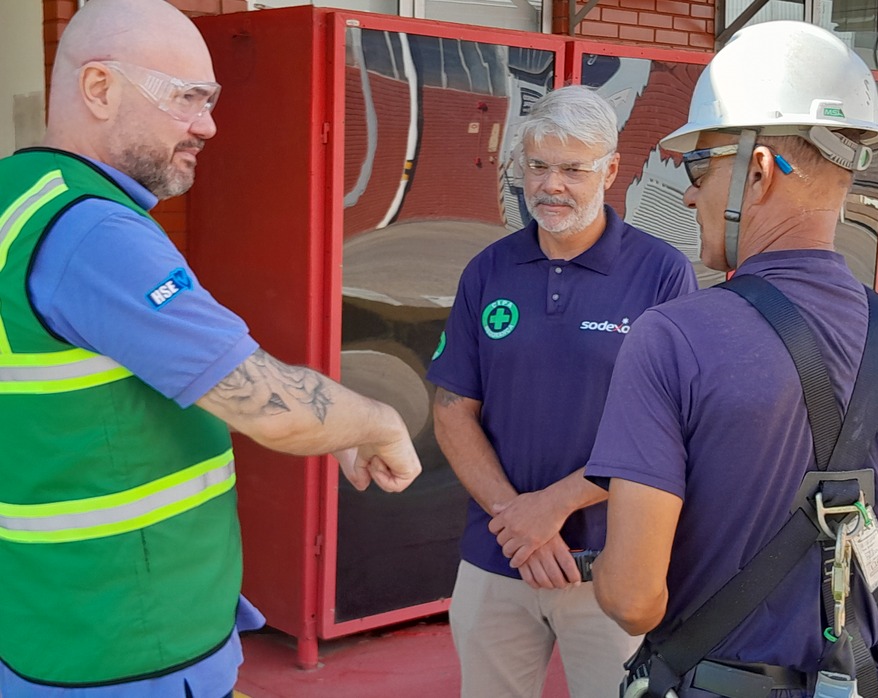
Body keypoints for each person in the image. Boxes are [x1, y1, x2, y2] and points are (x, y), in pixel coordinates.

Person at [0, 1, 421, 696]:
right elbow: (270, 408)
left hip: (48, 624)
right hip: (131, 649)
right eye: (187, 99)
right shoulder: (93, 234)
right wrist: (375, 421)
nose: (208, 124)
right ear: (99, 89)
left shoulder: (21, 199)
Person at [585, 20, 878, 698]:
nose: (687, 194)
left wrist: (598, 567)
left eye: (696, 166)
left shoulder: (671, 337)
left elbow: (631, 601)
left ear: (759, 169)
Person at [426, 84, 698, 698]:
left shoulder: (662, 274)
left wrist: (553, 508)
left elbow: (673, 431)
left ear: (610, 170)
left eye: (573, 169)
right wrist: (517, 520)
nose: (551, 186)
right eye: (539, 166)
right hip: (499, 556)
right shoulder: (488, 270)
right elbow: (451, 411)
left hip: (613, 565)